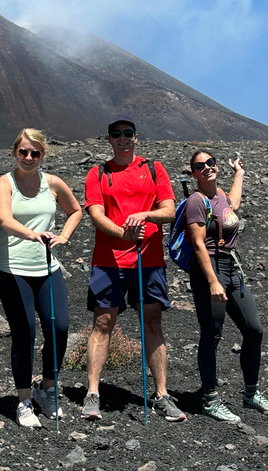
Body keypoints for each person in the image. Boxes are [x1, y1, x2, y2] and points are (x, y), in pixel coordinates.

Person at [81, 115, 185, 422]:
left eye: (128, 133)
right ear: (109, 140)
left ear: (136, 137)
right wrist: (122, 233)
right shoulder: (98, 173)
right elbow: (96, 215)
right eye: (117, 134)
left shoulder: (153, 169)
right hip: (108, 260)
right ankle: (92, 393)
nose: (123, 138)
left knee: (152, 323)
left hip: (148, 260)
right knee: (102, 323)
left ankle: (162, 395)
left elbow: (169, 210)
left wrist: (144, 216)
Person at [0, 129, 82, 427]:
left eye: (35, 153)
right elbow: (4, 220)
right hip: (13, 269)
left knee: (59, 328)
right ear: (14, 152)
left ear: (43, 155)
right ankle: (23, 401)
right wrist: (34, 234)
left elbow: (75, 211)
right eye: (23, 152)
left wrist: (64, 236)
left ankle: (47, 388)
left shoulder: (53, 183)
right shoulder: (4, 183)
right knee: (25, 332)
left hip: (47, 267)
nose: (28, 158)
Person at [184, 150, 268, 423]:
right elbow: (198, 243)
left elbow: (233, 205)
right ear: (194, 173)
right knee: (211, 334)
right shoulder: (196, 201)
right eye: (199, 166)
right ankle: (210, 400)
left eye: (210, 163)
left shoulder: (220, 195)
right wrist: (213, 281)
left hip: (231, 267)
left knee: (254, 330)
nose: (207, 168)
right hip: (209, 270)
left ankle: (251, 394)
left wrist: (240, 171)